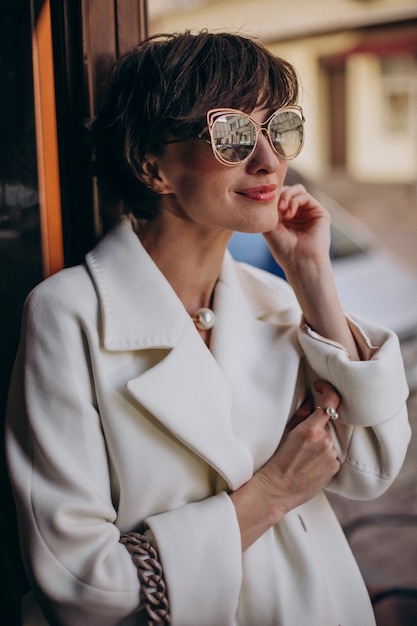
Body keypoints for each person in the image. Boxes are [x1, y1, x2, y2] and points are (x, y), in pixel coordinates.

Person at [5, 30, 411, 626]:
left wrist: (312, 275)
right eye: (232, 134)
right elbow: (82, 584)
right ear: (153, 165)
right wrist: (271, 493)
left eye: (278, 130)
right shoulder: (69, 316)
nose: (270, 160)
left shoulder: (274, 299)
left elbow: (371, 469)